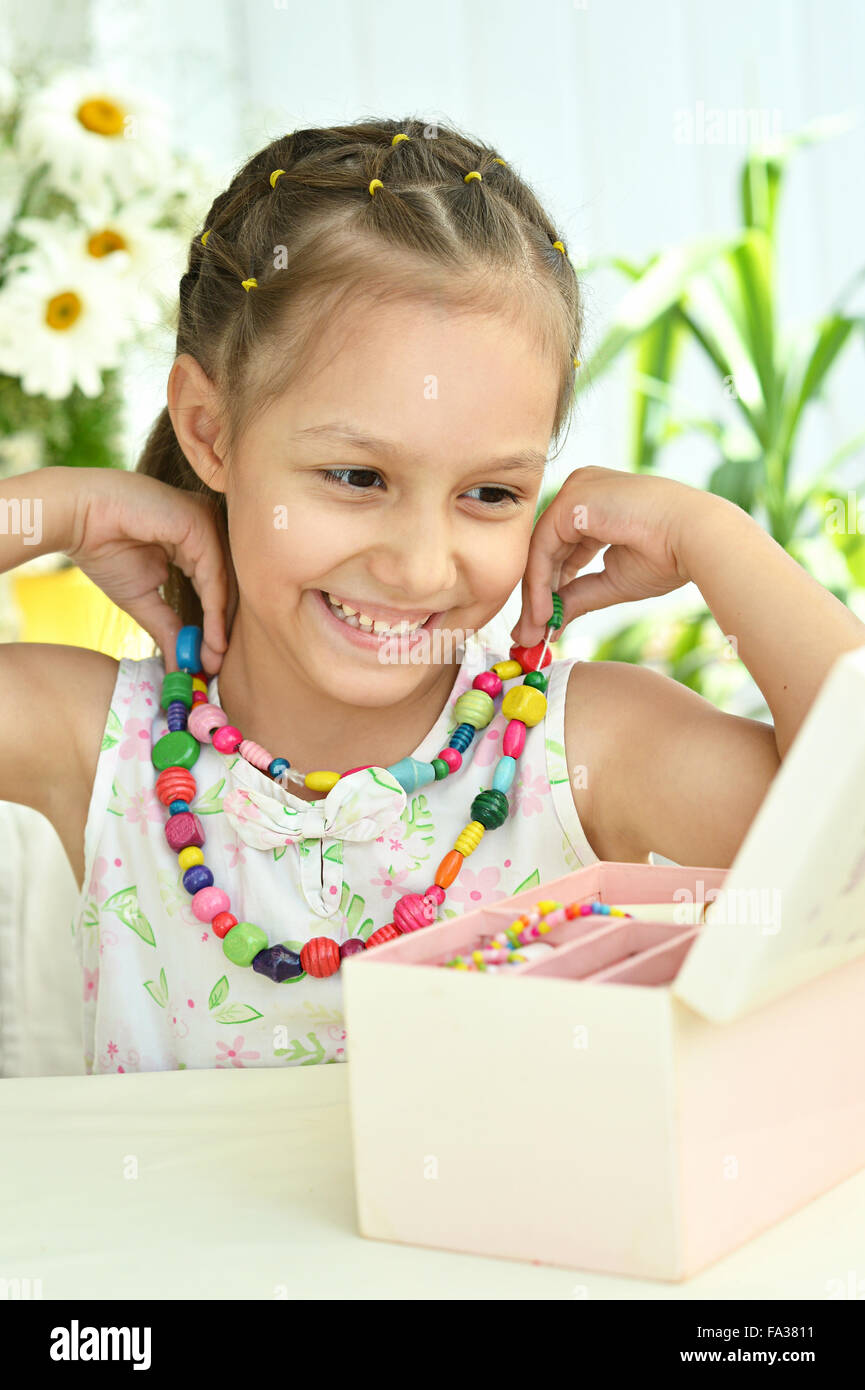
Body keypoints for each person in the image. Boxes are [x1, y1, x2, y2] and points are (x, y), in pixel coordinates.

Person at [2, 118, 862, 1073]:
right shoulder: (97, 745)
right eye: (356, 477)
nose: (419, 567)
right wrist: (55, 510)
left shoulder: (584, 754)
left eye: (489, 494)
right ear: (209, 429)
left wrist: (715, 539)